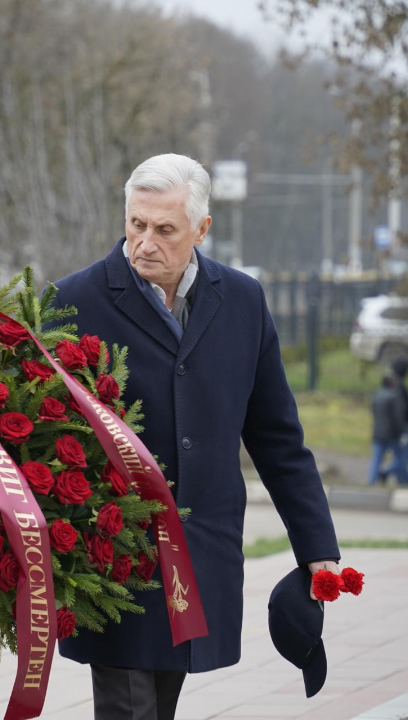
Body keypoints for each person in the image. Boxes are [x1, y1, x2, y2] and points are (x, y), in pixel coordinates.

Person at [46, 154, 340, 720]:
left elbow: (277, 437)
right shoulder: (73, 302)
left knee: (160, 706)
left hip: (202, 552)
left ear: (202, 229)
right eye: (136, 224)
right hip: (114, 554)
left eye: (164, 229)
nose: (144, 243)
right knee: (128, 707)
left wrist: (317, 548)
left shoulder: (244, 301)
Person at [369, 373, 408, 485]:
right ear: (391, 383)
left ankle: (371, 482)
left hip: (377, 432)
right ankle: (390, 474)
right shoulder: (393, 396)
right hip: (392, 434)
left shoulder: (376, 395)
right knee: (400, 459)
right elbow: (398, 417)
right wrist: (402, 433)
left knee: (376, 459)